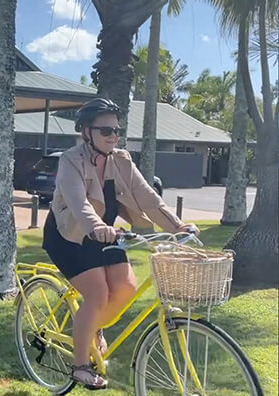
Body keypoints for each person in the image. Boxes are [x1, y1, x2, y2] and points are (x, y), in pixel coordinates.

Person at [41, 98, 199, 389]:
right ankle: (80, 365)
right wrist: (97, 227)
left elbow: (147, 197)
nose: (113, 136)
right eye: (106, 130)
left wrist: (176, 226)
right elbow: (78, 202)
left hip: (107, 234)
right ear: (86, 131)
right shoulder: (70, 160)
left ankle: (93, 327)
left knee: (126, 287)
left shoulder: (121, 160)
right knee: (98, 294)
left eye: (116, 130)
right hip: (69, 236)